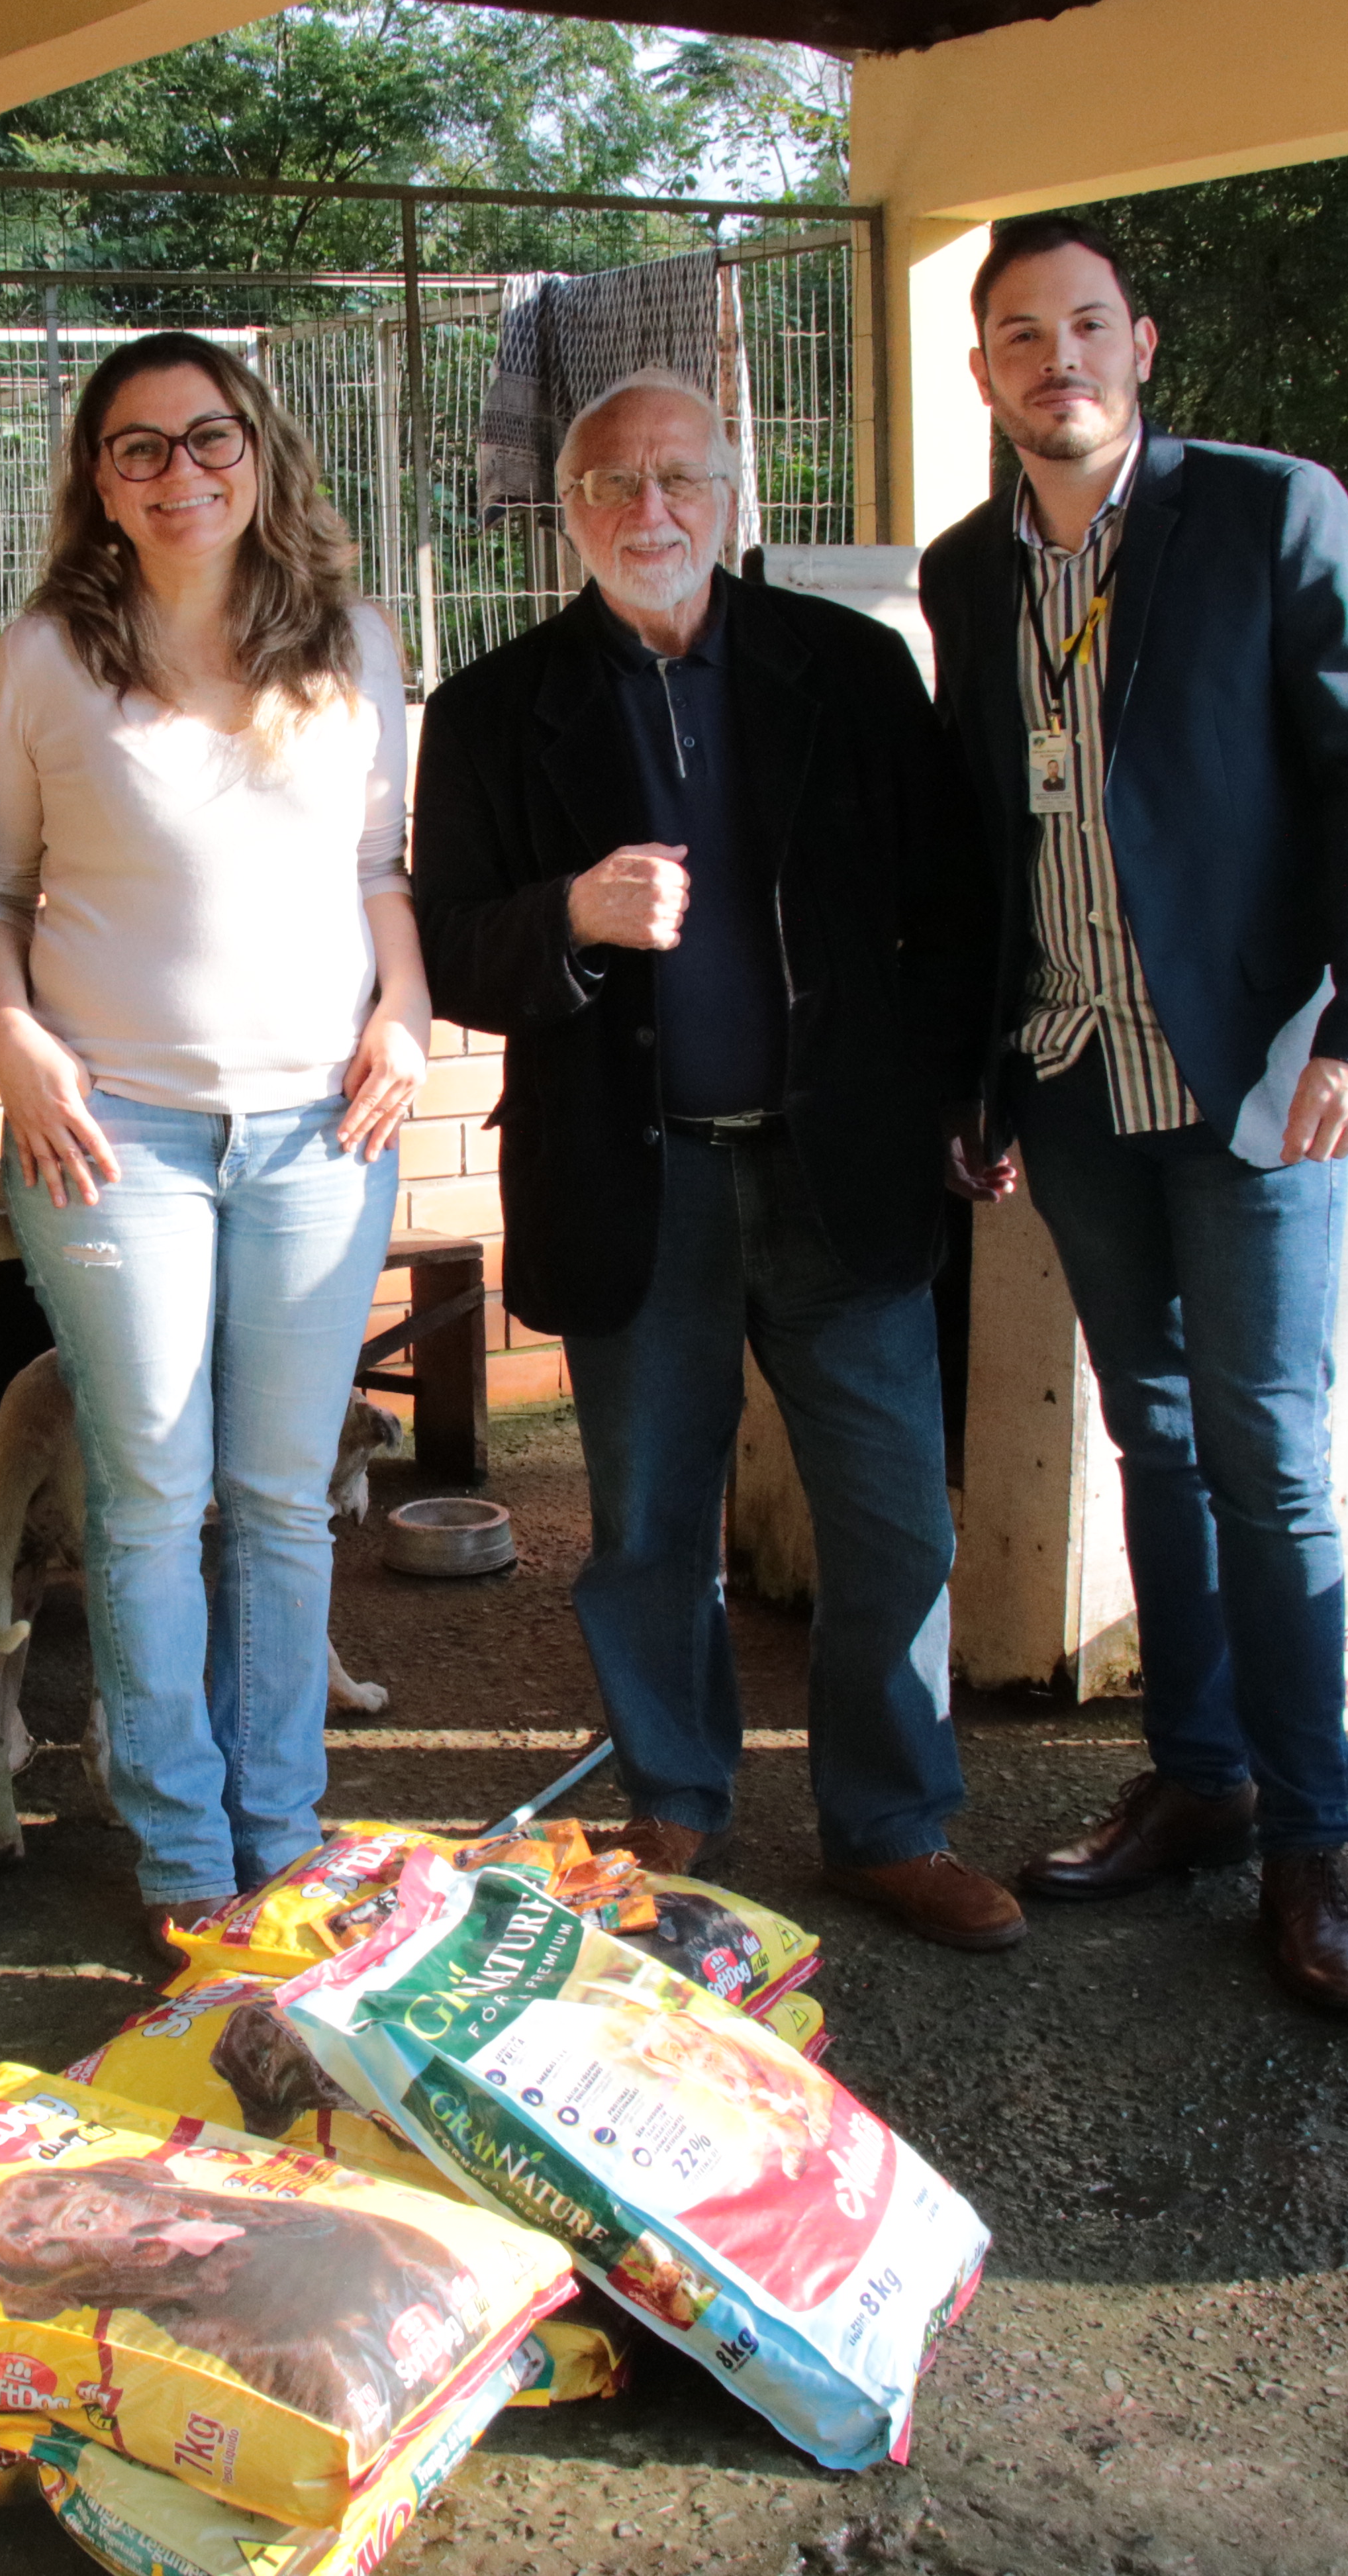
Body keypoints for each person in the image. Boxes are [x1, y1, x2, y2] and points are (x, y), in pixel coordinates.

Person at [412, 367, 1019, 1950]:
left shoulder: (851, 667)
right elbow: (452, 947)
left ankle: (889, 1822)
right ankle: (674, 1792)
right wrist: (572, 918)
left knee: (897, 1520)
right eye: (610, 486)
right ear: (567, 516)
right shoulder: (495, 707)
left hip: (842, 1169)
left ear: (734, 498)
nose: (648, 510)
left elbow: (956, 903)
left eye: (677, 477)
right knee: (649, 1530)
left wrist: (972, 1094)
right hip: (637, 1175)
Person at [920, 213, 1348, 2017]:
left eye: (1083, 326)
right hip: (1072, 1076)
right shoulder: (965, 573)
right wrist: (979, 1073)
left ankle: (1311, 1838)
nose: (1053, 358)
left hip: (1250, 1079)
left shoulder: (1270, 512)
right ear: (983, 372)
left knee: (1265, 1455)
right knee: (1152, 1436)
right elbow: (987, 838)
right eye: (1016, 334)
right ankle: (1201, 1780)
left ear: (1140, 346)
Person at [0, 330, 429, 1958]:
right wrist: (10, 1039)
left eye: (206, 436)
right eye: (137, 446)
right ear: (98, 476)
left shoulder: (355, 643)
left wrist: (407, 1013)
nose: (178, 471)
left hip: (320, 1123)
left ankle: (282, 1832)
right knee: (151, 1493)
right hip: (113, 1133)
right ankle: (181, 1850)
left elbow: (382, 864)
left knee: (281, 1499)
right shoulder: (41, 657)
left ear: (261, 450)